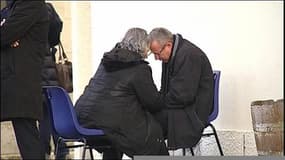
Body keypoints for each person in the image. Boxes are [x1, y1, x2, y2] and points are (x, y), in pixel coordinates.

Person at [74, 28, 169, 159]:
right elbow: (152, 103)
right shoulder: (140, 68)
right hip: (107, 123)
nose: (148, 53)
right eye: (148, 47)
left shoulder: (107, 61)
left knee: (116, 138)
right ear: (142, 46)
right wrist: (166, 95)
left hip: (82, 119)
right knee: (153, 134)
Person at [148, 27, 214, 150]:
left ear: (168, 45)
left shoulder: (189, 55)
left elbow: (183, 96)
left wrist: (157, 103)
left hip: (193, 111)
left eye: (157, 53)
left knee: (148, 125)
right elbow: (165, 90)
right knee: (146, 118)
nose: (156, 58)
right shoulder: (172, 55)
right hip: (181, 105)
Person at [1, 0, 49, 159]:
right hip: (11, 79)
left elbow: (5, 34)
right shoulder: (13, 6)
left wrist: (7, 34)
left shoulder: (31, 4)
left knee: (27, 135)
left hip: (20, 82)